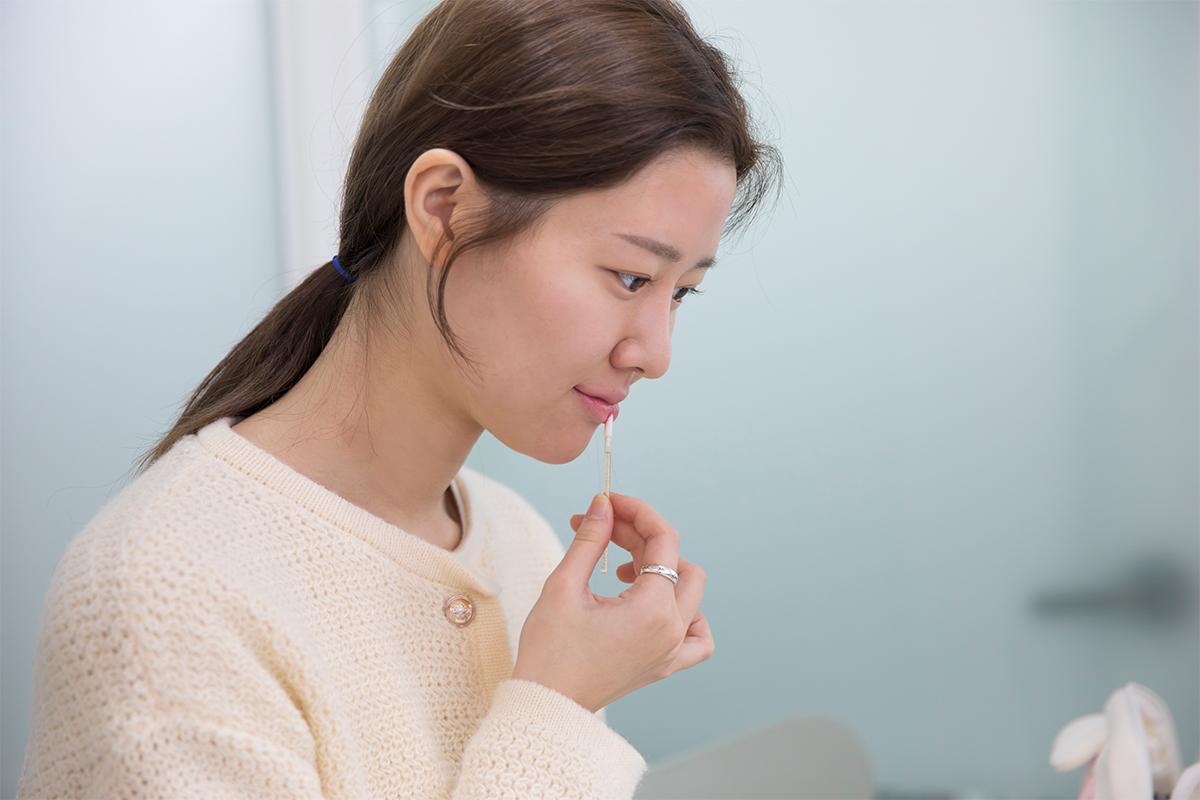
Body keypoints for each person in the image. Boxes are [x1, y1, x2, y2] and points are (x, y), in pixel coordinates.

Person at [17, 0, 782, 796]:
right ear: (445, 207)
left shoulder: (518, 543)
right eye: (630, 277)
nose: (655, 353)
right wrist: (559, 702)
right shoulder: (165, 591)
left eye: (681, 292)